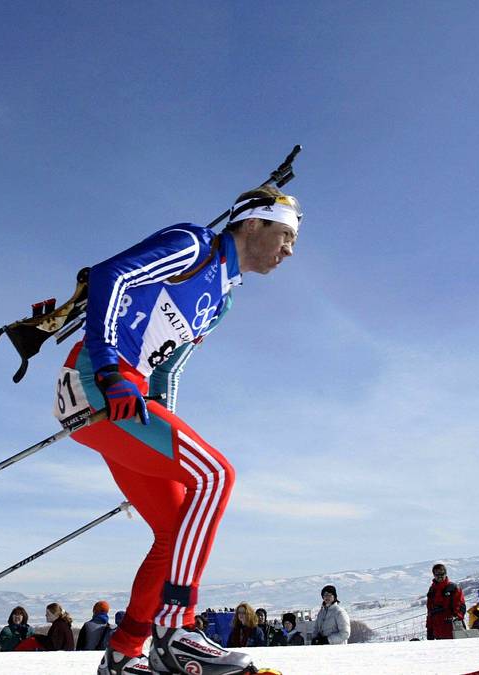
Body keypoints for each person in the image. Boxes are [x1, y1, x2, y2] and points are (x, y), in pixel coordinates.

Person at [62, 185, 302, 675]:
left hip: (131, 403)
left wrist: (160, 460)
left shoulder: (222, 301)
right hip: (98, 381)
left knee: (174, 529)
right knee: (217, 475)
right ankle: (177, 630)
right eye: (285, 235)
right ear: (252, 223)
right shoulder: (193, 246)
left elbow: (168, 372)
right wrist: (109, 370)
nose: (289, 250)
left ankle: (125, 654)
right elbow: (113, 274)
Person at [425, 564, 466, 640]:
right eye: (437, 574)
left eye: (442, 574)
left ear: (446, 573)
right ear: (434, 575)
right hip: (437, 629)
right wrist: (429, 629)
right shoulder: (432, 590)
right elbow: (430, 611)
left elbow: (460, 606)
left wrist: (457, 618)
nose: (439, 576)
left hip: (452, 628)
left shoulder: (453, 588)